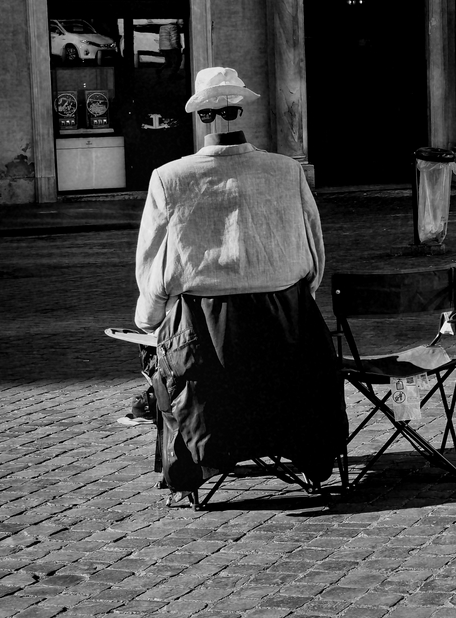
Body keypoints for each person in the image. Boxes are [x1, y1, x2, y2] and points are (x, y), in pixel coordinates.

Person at [134, 66, 346, 504]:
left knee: (160, 351)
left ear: (202, 118)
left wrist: (149, 317)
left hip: (203, 332)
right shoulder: (285, 171)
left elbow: (152, 262)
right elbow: (314, 251)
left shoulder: (169, 177)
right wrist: (291, 294)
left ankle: (192, 457)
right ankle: (299, 448)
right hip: (286, 326)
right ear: (239, 111)